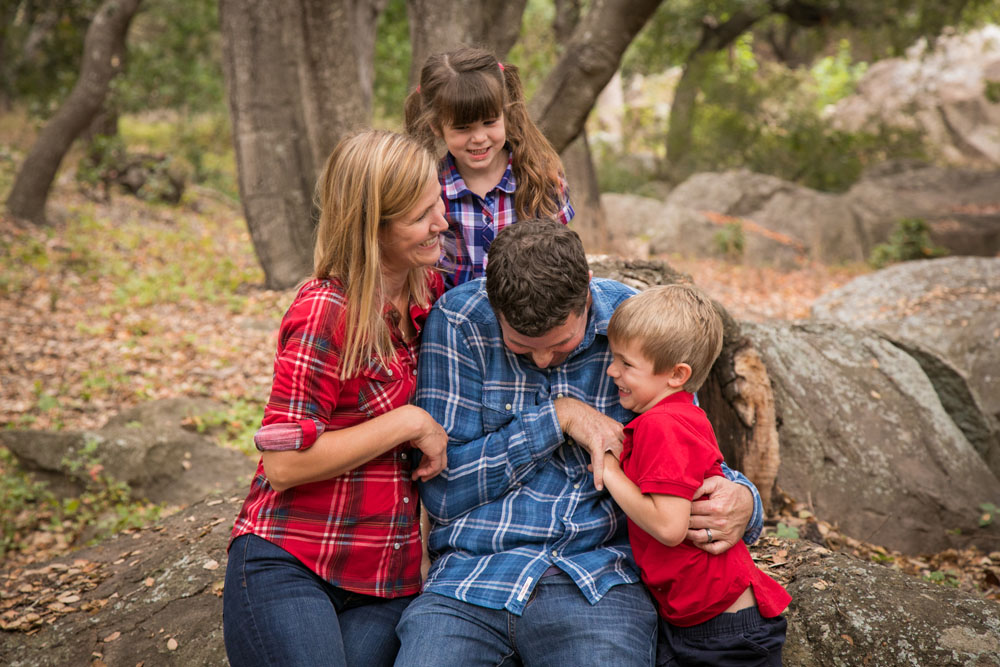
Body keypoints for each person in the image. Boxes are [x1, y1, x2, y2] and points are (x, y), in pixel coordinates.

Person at [395, 219, 764, 666]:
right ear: (494, 307)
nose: (544, 359)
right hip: (472, 581)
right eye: (521, 346)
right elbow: (443, 492)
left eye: (562, 343)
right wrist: (556, 416)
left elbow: (689, 449)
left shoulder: (635, 324)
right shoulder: (459, 321)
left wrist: (745, 502)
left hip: (598, 581)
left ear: (586, 291)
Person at [222, 130, 451, 667]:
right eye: (422, 215)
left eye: (438, 202)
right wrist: (408, 422)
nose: (442, 222)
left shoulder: (429, 294)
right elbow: (281, 465)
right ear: (374, 227)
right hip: (292, 561)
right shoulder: (328, 310)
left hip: (384, 584)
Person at [602, 285, 790, 666]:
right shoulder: (678, 414)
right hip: (698, 617)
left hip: (723, 629)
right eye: (613, 358)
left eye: (626, 363)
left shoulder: (663, 425)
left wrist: (608, 471)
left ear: (676, 374)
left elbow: (670, 527)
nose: (612, 371)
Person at [404, 46, 574, 287]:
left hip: (531, 311)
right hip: (451, 316)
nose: (479, 138)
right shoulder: (429, 190)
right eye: (463, 128)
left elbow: (562, 257)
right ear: (436, 126)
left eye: (489, 122)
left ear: (505, 114)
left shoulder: (540, 179)